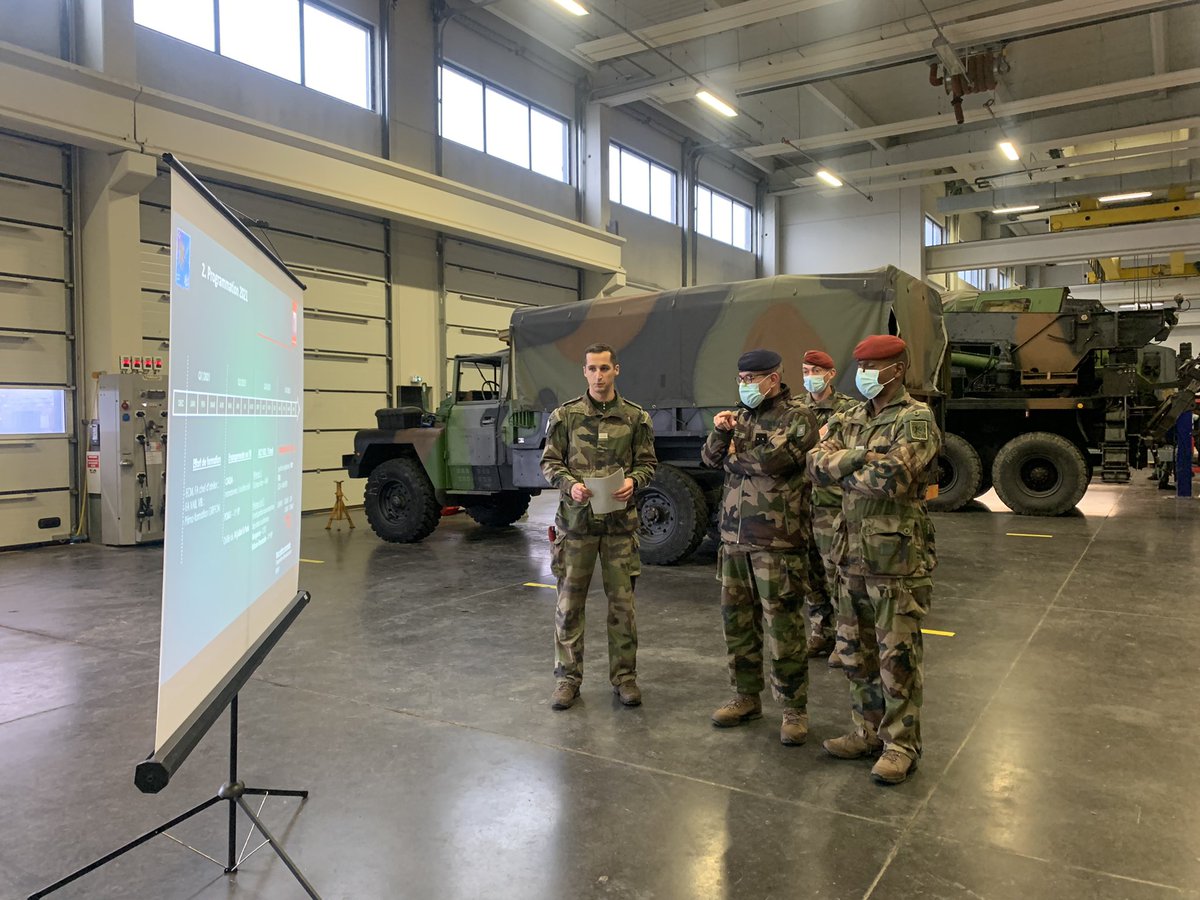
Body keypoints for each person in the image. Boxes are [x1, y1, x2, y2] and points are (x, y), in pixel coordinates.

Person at [807, 335, 940, 785]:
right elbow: (813, 464)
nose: (862, 373)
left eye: (871, 366)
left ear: (896, 370)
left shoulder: (916, 419)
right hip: (850, 557)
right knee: (855, 652)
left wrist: (842, 467)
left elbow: (893, 479)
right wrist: (862, 456)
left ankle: (901, 745)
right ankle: (867, 730)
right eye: (859, 365)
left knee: (896, 657)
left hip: (896, 561)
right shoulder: (851, 417)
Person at [701, 348, 819, 745]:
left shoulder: (798, 417)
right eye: (741, 379)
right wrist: (720, 433)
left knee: (783, 625)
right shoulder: (740, 416)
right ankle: (745, 697)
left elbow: (774, 461)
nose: (745, 385)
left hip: (777, 542)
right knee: (737, 624)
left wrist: (735, 458)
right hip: (734, 539)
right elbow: (709, 458)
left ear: (773, 378)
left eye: (752, 379)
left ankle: (793, 708)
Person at [541, 342, 657, 711]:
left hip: (620, 528)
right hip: (576, 526)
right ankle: (567, 680)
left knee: (622, 607)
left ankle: (625, 678)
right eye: (592, 369)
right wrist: (569, 484)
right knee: (569, 605)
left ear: (616, 370)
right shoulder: (566, 416)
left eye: (605, 368)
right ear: (584, 372)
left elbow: (648, 463)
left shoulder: (636, 418)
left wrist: (635, 482)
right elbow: (549, 463)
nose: (599, 375)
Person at [798, 349, 858, 664]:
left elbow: (847, 454)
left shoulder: (849, 411)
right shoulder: (794, 408)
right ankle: (821, 631)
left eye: (815, 370)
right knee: (809, 573)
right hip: (798, 502)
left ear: (830, 373)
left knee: (835, 571)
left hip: (831, 504)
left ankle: (846, 639)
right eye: (806, 370)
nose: (810, 376)